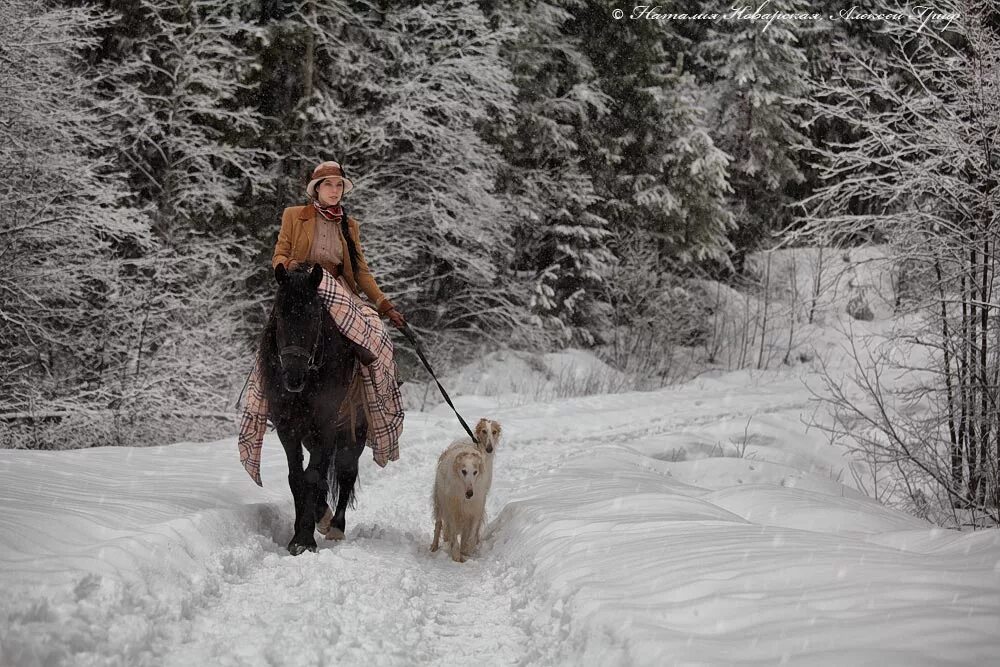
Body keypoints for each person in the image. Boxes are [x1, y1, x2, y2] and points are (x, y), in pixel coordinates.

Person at [237, 160, 405, 485]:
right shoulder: (293, 216)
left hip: (338, 288)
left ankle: (377, 391)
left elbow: (360, 271)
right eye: (329, 184)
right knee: (277, 334)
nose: (334, 190)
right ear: (316, 189)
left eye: (339, 185)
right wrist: (286, 268)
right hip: (300, 282)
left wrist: (384, 304)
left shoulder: (349, 225)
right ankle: (262, 397)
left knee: (374, 332)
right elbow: (280, 251)